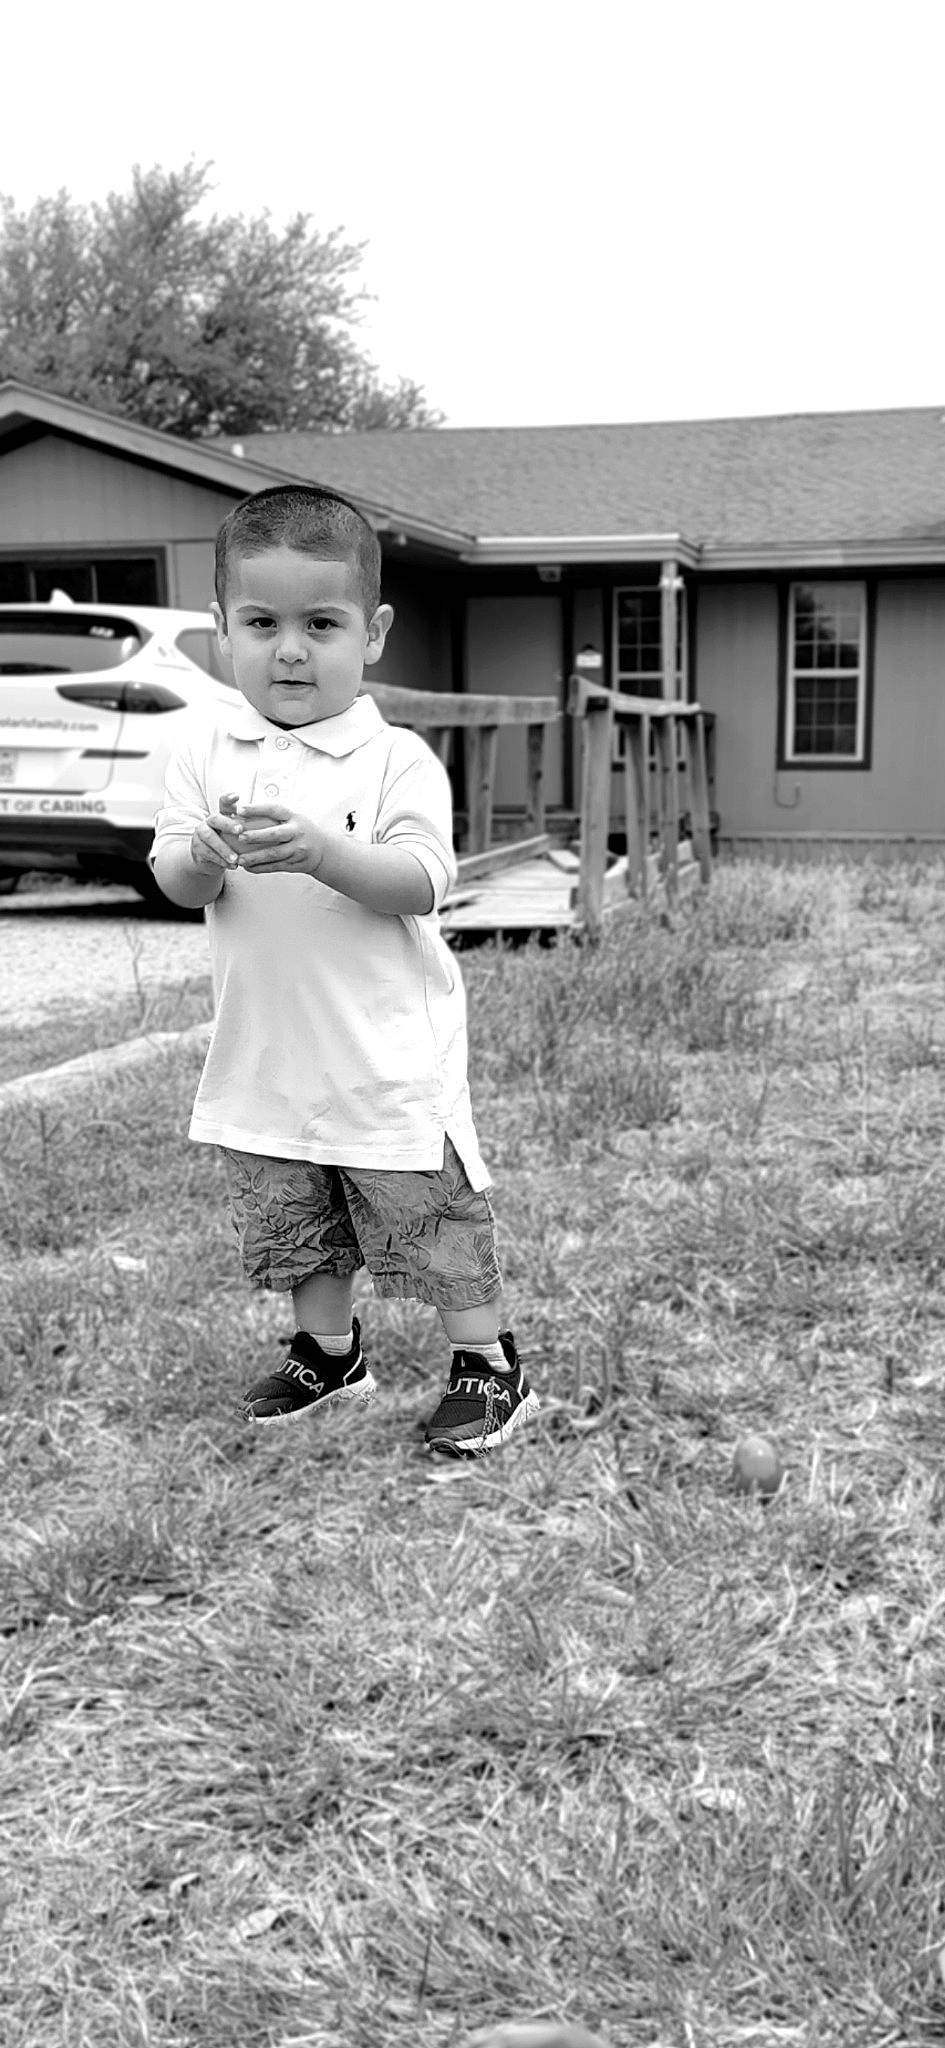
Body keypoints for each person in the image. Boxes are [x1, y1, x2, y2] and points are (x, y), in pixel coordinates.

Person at [150, 483, 537, 1458]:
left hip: (383, 1057)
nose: (290, 649)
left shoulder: (394, 758)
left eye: (321, 623)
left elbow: (419, 882)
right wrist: (201, 850)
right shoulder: (200, 743)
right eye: (262, 622)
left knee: (428, 1215)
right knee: (297, 1218)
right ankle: (329, 1348)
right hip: (266, 1056)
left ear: (373, 631)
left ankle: (487, 1364)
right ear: (220, 627)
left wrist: (323, 851)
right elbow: (173, 879)